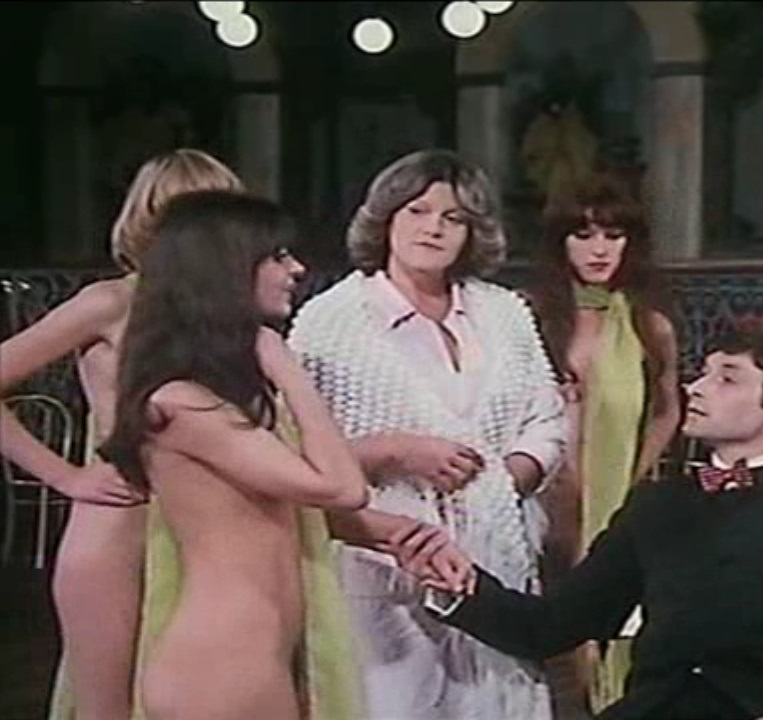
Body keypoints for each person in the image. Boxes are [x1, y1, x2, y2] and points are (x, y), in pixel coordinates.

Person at [420, 332, 763, 720]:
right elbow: (553, 625)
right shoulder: (657, 505)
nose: (694, 387)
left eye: (726, 378)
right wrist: (457, 587)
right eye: (702, 373)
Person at [288, 149, 568, 720]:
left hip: (495, 560)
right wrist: (396, 452)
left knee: (498, 702)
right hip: (383, 563)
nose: (433, 228)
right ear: (386, 219)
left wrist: (507, 478)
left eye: (453, 218)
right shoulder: (329, 320)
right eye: (417, 211)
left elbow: (548, 419)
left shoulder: (505, 313)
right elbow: (296, 455)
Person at [94, 190, 378, 719]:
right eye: (277, 256)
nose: (297, 269)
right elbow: (341, 487)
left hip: (258, 659)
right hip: (219, 667)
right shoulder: (179, 404)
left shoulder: (221, 399)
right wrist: (287, 368)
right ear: (226, 269)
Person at [0, 149, 238, 720]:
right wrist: (65, 476)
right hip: (121, 527)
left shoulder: (230, 314)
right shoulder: (110, 303)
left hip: (213, 535)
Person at [525, 174, 681, 713]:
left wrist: (635, 474)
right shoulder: (531, 317)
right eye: (584, 234)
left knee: (614, 622)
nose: (599, 250)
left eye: (613, 235)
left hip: (616, 496)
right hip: (541, 497)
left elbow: (668, 409)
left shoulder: (648, 324)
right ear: (560, 242)